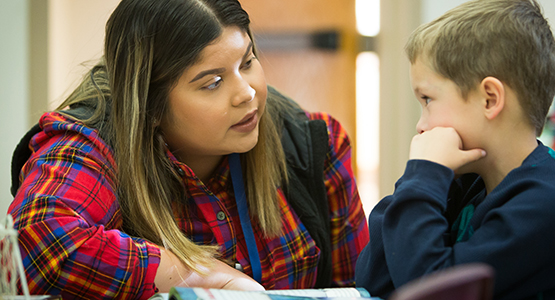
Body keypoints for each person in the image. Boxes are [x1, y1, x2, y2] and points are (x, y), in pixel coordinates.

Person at [8, 0, 369, 298]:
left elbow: (357, 288)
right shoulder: (91, 143)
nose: (247, 93)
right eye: (212, 82)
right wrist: (199, 274)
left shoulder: (313, 143)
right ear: (148, 104)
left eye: (247, 62)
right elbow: (39, 241)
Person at [355, 0, 555, 299]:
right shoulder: (470, 182)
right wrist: (421, 180)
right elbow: (375, 280)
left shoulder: (547, 204)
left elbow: (429, 292)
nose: (421, 125)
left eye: (427, 100)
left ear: (489, 99)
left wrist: (423, 177)